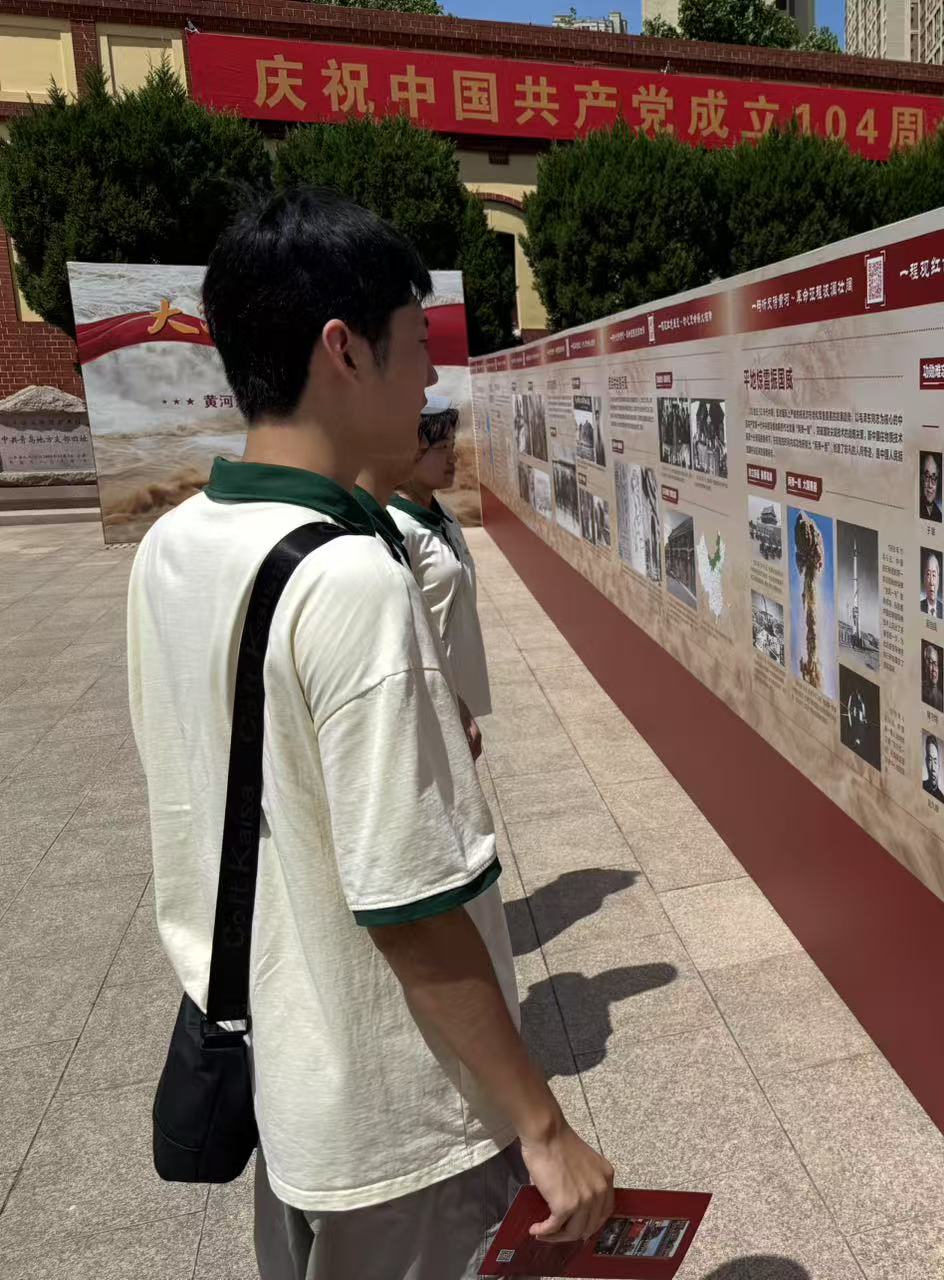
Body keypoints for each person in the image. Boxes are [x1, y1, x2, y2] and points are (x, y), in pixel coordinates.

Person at [127, 190, 613, 1280]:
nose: (432, 384)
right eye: (418, 348)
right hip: (407, 1126)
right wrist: (541, 1125)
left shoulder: (176, 542)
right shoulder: (350, 577)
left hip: (291, 1091)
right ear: (343, 349)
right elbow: (411, 905)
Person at [390, 399, 493, 758]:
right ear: (411, 449)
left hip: (457, 689)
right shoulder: (396, 529)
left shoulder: (443, 514)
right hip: (430, 697)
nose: (454, 457)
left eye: (453, 446)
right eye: (443, 448)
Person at [919, 453, 943, 522]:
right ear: (921, 478)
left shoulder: (940, 516)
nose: (930, 485)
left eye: (934, 478)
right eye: (926, 476)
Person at [921, 643, 944, 712]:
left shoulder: (941, 698)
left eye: (936, 664)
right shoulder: (919, 689)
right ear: (925, 666)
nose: (934, 669)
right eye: (931, 663)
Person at [922, 735, 944, 802]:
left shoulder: (942, 798)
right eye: (930, 760)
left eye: (935, 761)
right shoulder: (921, 785)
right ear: (926, 762)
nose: (933, 768)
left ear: (939, 765)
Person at [920, 552, 943, 617]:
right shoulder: (918, 606)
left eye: (933, 575)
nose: (931, 582)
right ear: (924, 579)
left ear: (938, 579)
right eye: (928, 574)